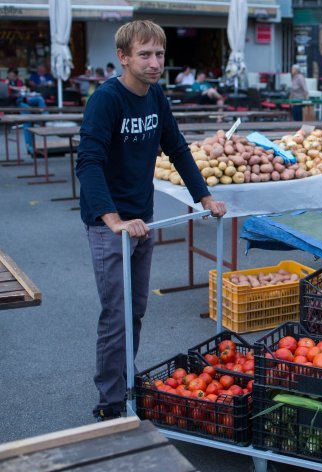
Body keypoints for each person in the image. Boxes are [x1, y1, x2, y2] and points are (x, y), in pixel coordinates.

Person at [76, 20, 226, 422]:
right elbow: (87, 163)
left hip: (143, 218)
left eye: (159, 54)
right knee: (117, 311)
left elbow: (176, 148)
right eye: (144, 54)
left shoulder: (156, 96)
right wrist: (114, 220)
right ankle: (110, 401)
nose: (155, 62)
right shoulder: (106, 100)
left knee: (136, 309)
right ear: (123, 57)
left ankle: (126, 382)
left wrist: (205, 196)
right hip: (109, 223)